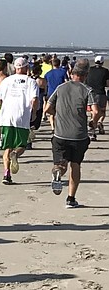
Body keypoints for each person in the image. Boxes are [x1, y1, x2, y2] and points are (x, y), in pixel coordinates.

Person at [45, 58, 93, 208]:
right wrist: (93, 122)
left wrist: (56, 114)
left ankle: (58, 172)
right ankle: (71, 199)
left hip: (60, 134)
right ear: (86, 74)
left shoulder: (61, 88)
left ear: (72, 72)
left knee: (61, 163)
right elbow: (96, 111)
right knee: (76, 165)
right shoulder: (87, 90)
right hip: (79, 135)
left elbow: (47, 108)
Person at [0, 57, 39, 185]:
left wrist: (5, 106)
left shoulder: (7, 81)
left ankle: (6, 174)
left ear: (15, 68)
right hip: (22, 116)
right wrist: (34, 112)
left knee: (7, 147)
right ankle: (15, 154)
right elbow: (34, 100)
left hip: (7, 117)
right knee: (22, 145)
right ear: (25, 68)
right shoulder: (31, 81)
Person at [85, 55, 109, 139]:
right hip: (100, 93)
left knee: (93, 111)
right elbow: (107, 83)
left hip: (90, 93)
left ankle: (93, 125)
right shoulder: (105, 71)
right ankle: (96, 124)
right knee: (101, 112)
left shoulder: (89, 70)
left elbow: (86, 81)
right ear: (102, 62)